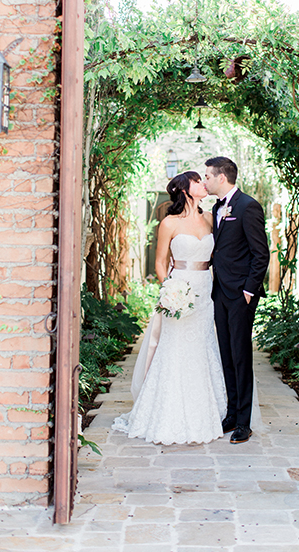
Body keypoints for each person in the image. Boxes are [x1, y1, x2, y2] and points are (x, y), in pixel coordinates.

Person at [112, 171, 227, 445]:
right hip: (179, 290)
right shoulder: (169, 223)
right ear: (185, 189)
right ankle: (167, 412)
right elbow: (161, 262)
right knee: (174, 349)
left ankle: (209, 411)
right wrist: (170, 290)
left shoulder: (211, 219)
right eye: (198, 180)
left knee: (203, 346)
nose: (203, 184)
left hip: (204, 291)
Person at [204, 156, 270, 444]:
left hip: (241, 294)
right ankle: (231, 413)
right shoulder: (217, 208)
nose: (204, 180)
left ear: (221, 178)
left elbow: (261, 253)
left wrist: (248, 290)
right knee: (226, 355)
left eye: (207, 175)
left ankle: (244, 422)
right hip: (219, 291)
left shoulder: (248, 206)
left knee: (241, 356)